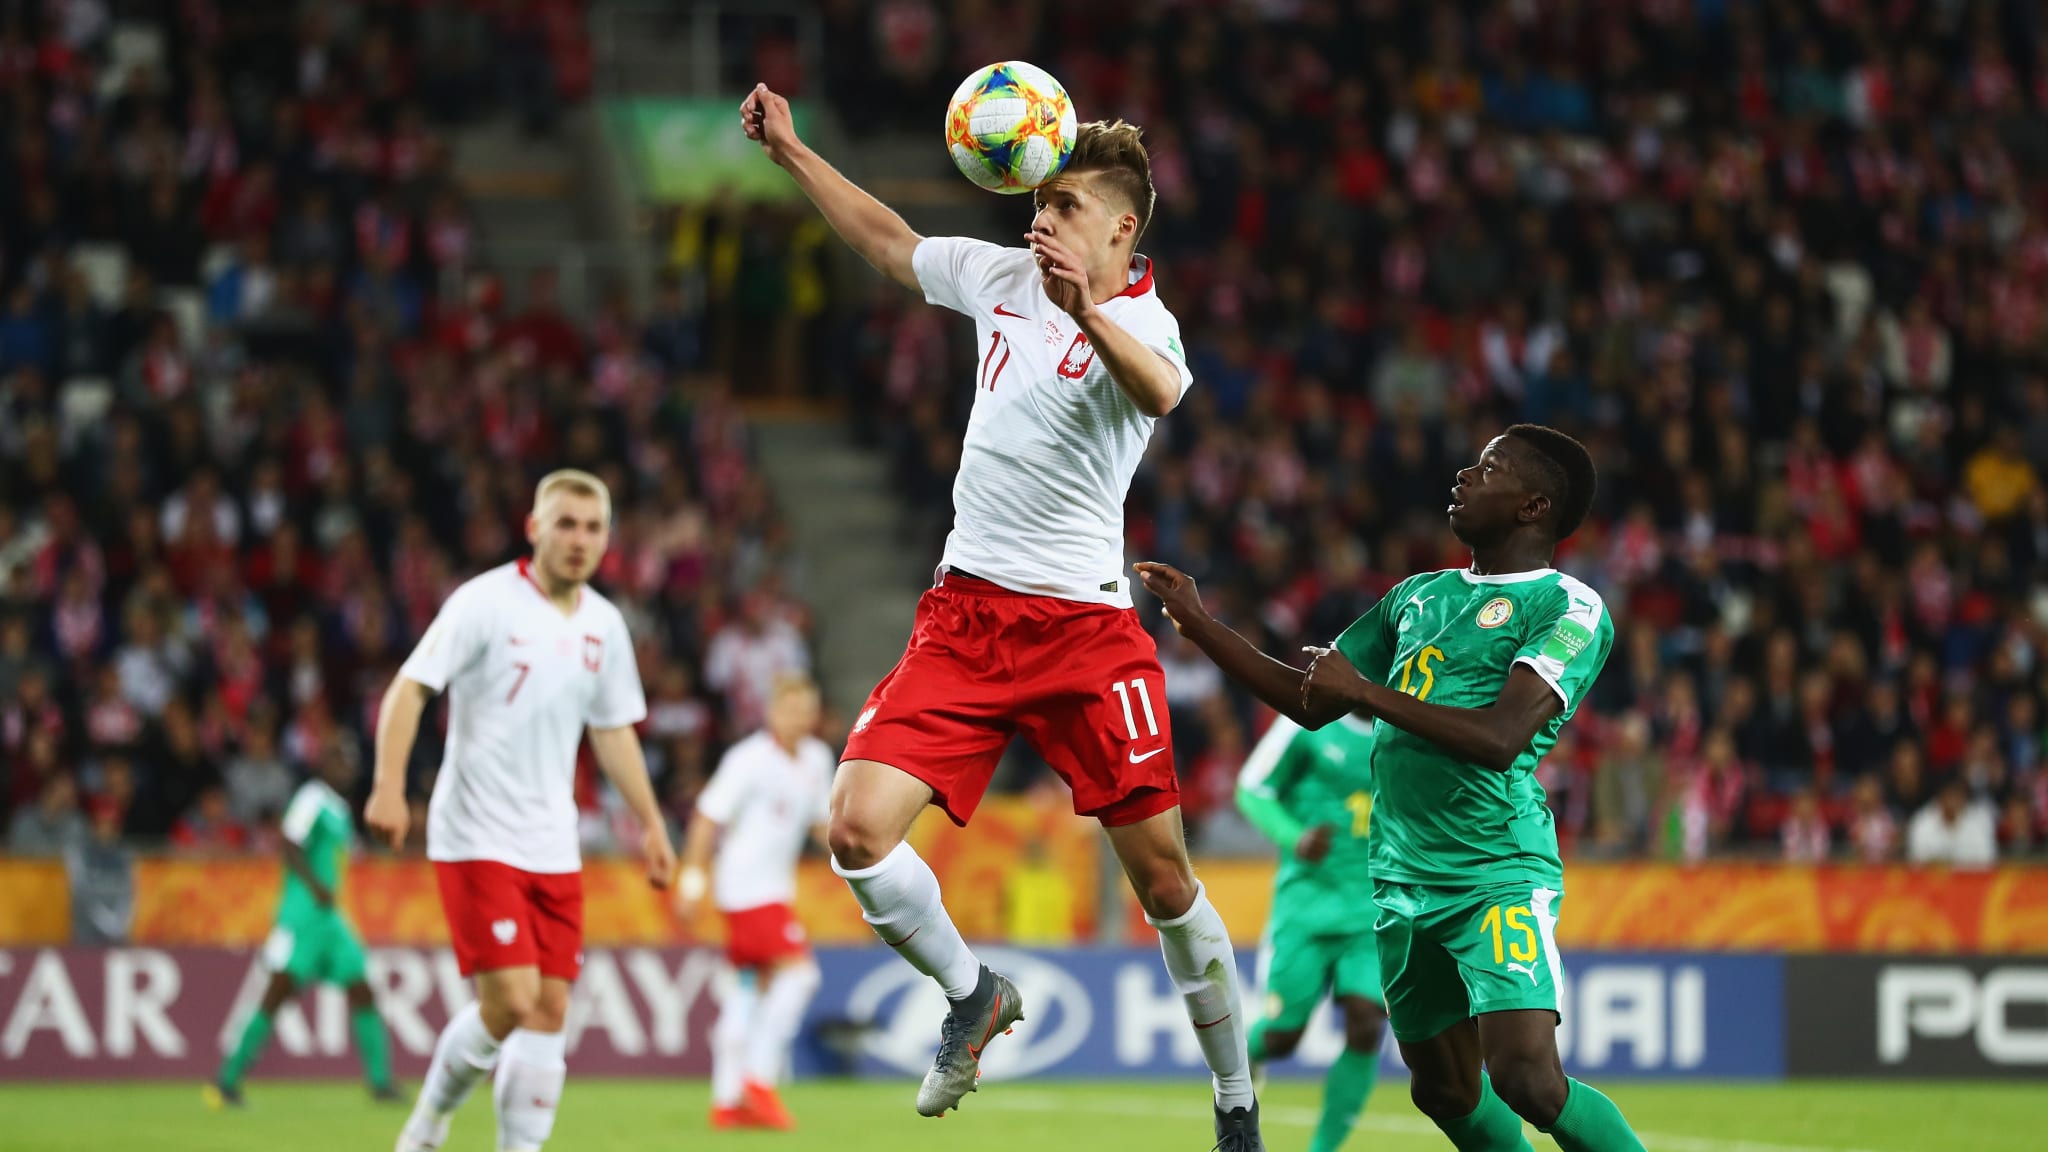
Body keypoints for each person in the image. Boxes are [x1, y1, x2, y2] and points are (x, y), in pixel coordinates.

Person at [740, 83, 1260, 1148]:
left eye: (1064, 204)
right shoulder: (1000, 277)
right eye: (1038, 200)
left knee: (1165, 881)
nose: (1041, 218)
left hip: (1085, 631)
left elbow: (1162, 393)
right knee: (853, 832)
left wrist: (1083, 313)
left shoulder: (1144, 321)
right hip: (966, 617)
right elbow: (888, 241)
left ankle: (1235, 1100)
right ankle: (972, 995)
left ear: (1120, 228)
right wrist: (791, 151)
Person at [1140, 425, 1647, 1152]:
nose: (1464, 475)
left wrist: (1368, 694)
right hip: (1400, 878)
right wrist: (1200, 624)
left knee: (1527, 1079)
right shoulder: (1417, 596)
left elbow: (1501, 736)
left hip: (1493, 870)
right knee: (1443, 1089)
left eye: (1489, 468)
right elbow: (1311, 698)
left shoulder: (1568, 607)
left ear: (1534, 506)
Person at [367, 470, 675, 1152]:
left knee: (550, 1008)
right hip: (476, 833)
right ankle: (425, 1128)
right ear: (534, 528)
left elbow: (613, 731)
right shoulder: (484, 603)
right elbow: (410, 690)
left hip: (553, 842)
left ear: (608, 539)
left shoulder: (604, 624)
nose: (579, 540)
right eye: (565, 524)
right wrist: (388, 785)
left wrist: (652, 824)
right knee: (510, 998)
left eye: (593, 528)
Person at [674, 673, 833, 1131]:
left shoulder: (817, 758)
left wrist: (863, 856)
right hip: (745, 888)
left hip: (774, 888)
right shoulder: (748, 760)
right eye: (790, 709)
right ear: (771, 712)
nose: (799, 718)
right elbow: (707, 818)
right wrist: (691, 883)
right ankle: (758, 1083)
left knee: (749, 988)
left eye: (806, 710)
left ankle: (726, 1101)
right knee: (800, 976)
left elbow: (818, 825)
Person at [206, 741, 395, 1107]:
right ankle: (226, 1079)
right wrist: (314, 886)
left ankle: (380, 1082)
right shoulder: (312, 797)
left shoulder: (339, 808)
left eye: (350, 761)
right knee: (277, 993)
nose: (345, 767)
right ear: (322, 764)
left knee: (362, 989)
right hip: (303, 915)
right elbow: (289, 842)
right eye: (337, 758)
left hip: (331, 920)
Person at [1235, 713, 1387, 1152]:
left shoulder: (1406, 721)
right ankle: (1249, 1058)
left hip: (1374, 909)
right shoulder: (1305, 720)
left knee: (1366, 1021)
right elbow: (1252, 787)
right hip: (1306, 908)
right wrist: (1295, 837)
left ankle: (1323, 1149)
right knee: (1283, 1036)